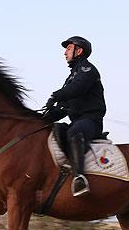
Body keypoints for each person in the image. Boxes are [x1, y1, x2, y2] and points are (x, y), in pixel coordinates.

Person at [43, 36, 106, 196]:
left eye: (68, 49)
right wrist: (41, 119)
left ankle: (79, 178)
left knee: (73, 132)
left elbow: (76, 89)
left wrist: (55, 96)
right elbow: (64, 108)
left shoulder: (87, 70)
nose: (65, 53)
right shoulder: (72, 76)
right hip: (78, 120)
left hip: (91, 121)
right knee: (54, 130)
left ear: (79, 51)